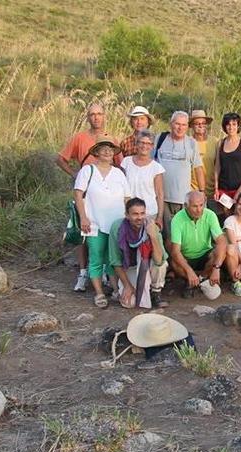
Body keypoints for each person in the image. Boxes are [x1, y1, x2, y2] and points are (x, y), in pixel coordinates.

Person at [57, 103, 111, 292]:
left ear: (104, 116)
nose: (96, 117)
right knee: (82, 232)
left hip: (105, 194)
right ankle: (82, 272)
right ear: (87, 117)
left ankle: (102, 270)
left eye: (99, 114)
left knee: (103, 230)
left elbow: (119, 165)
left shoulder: (111, 139)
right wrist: (73, 173)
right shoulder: (80, 138)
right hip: (85, 191)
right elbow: (60, 158)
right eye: (92, 114)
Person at [73, 135, 131, 308]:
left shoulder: (119, 173)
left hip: (115, 224)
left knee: (113, 258)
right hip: (94, 223)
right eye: (103, 148)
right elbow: (78, 194)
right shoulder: (87, 171)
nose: (107, 151)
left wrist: (128, 220)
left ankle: (115, 290)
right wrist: (83, 217)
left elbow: (127, 197)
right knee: (97, 257)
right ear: (96, 152)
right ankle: (99, 293)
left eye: (110, 148)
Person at [108, 198, 168, 309]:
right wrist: (127, 286)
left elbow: (159, 260)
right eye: (135, 214)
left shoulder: (151, 226)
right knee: (130, 303)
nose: (139, 218)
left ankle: (155, 292)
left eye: (142, 213)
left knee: (161, 265)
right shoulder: (117, 228)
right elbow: (115, 261)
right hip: (128, 267)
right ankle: (134, 288)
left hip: (147, 266)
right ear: (127, 215)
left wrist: (153, 236)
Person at [169, 191, 227, 300]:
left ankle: (200, 279)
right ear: (186, 206)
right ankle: (192, 279)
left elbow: (221, 241)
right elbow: (175, 251)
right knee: (174, 262)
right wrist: (189, 271)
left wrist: (216, 268)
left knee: (219, 252)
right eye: (195, 206)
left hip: (204, 253)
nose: (199, 209)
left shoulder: (210, 215)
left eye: (201, 205)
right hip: (186, 256)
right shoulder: (177, 219)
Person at [154, 111, 203, 237]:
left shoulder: (192, 143)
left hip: (183, 200)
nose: (180, 128)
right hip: (162, 198)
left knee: (183, 235)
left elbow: (198, 168)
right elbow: (151, 164)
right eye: (177, 124)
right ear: (171, 124)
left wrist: (201, 192)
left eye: (184, 125)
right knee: (166, 235)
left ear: (187, 127)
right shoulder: (160, 139)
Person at [121, 129, 165, 228]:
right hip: (129, 213)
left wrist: (160, 217)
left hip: (149, 213)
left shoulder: (156, 167)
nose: (144, 146)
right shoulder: (126, 162)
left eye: (148, 143)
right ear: (136, 144)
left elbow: (160, 194)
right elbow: (121, 188)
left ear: (152, 146)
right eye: (142, 142)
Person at [215, 113, 241, 205]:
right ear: (224, 126)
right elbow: (217, 167)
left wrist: (239, 192)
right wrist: (216, 188)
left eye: (234, 124)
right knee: (226, 217)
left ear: (238, 126)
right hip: (224, 189)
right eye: (228, 124)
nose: (231, 127)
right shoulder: (220, 143)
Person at [188, 110, 217, 197]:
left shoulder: (215, 141)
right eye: (197, 123)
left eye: (203, 123)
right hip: (194, 191)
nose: (201, 125)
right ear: (192, 126)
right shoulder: (188, 142)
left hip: (212, 192)